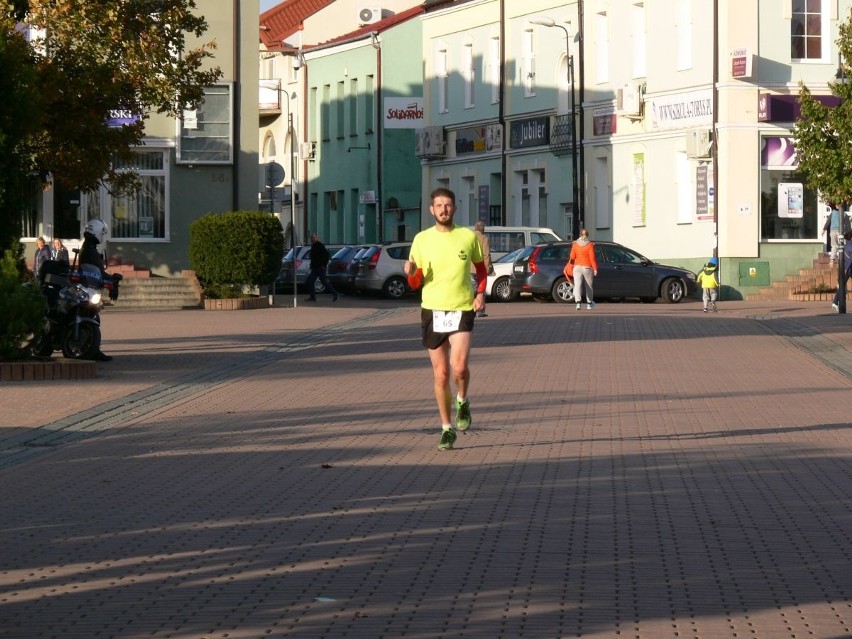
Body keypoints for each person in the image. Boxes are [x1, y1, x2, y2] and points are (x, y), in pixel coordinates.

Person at [405, 187, 487, 451]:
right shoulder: (421, 239)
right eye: (439, 205)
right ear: (431, 210)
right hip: (432, 310)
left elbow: (482, 270)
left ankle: (462, 400)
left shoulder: (467, 236)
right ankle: (446, 429)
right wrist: (411, 272)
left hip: (462, 307)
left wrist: (481, 293)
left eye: (448, 205)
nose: (443, 209)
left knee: (459, 368)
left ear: (455, 208)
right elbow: (415, 283)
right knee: (441, 374)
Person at [80, 219, 113, 362]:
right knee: (92, 315)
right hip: (86, 288)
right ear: (98, 231)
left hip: (89, 287)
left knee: (93, 315)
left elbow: (97, 270)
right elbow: (99, 270)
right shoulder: (89, 250)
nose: (103, 236)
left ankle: (91, 348)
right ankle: (92, 349)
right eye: (102, 233)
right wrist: (112, 280)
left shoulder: (89, 247)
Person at [567, 228, 598, 310]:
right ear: (587, 235)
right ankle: (589, 304)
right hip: (587, 267)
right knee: (589, 286)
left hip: (577, 267)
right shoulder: (590, 245)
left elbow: (572, 257)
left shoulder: (575, 244)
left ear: (580, 235)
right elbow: (592, 258)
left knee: (577, 285)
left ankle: (578, 303)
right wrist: (595, 269)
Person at [304, 233, 338, 302]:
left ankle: (335, 293)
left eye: (314, 237)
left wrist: (324, 265)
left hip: (320, 268)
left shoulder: (320, 245)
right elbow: (313, 257)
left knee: (324, 282)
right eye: (311, 238)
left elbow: (327, 255)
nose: (312, 239)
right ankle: (312, 297)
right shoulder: (313, 246)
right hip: (314, 268)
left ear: (317, 238)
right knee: (310, 281)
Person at [472, 220, 493, 317]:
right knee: (481, 290)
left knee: (471, 289)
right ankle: (480, 311)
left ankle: (470, 310)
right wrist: (487, 268)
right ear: (483, 229)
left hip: (469, 269)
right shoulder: (484, 238)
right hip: (480, 269)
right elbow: (486, 255)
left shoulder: (469, 237)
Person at [831, 231, 852, 312]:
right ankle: (836, 303)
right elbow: (851, 260)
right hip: (849, 268)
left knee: (842, 286)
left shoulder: (845, 246)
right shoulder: (850, 246)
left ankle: (835, 302)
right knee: (842, 286)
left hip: (843, 268)